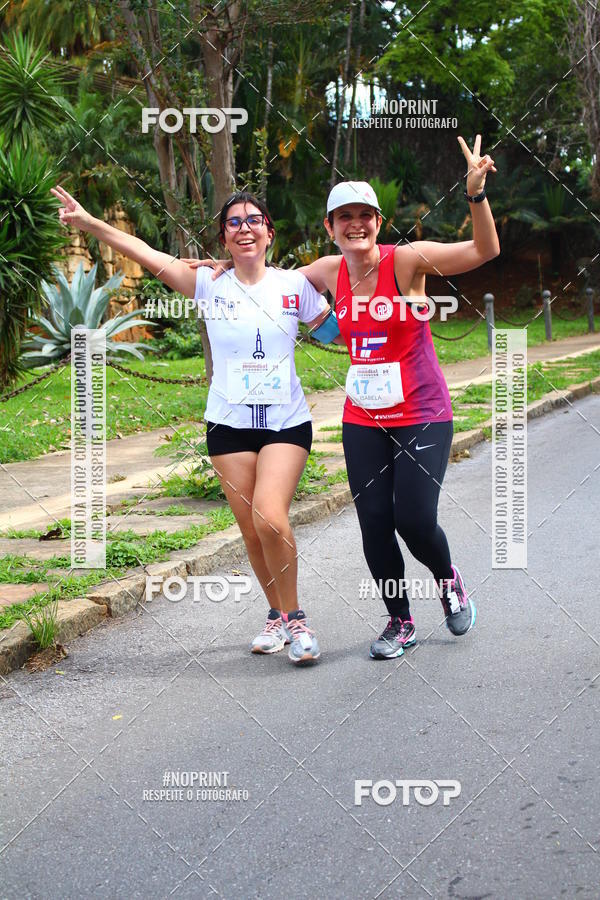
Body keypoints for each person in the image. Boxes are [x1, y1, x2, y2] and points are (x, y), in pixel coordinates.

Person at [188, 135, 499, 660]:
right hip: (363, 417)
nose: (356, 224)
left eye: (365, 215)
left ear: (378, 222)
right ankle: (399, 622)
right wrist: (210, 267)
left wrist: (475, 195)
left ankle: (448, 580)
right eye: (344, 217)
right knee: (375, 519)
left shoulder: (408, 261)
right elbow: (260, 277)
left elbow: (483, 250)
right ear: (330, 228)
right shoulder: (324, 272)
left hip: (423, 412)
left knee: (414, 519)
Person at [50, 186, 331, 664]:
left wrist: (377, 297)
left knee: (269, 515)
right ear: (223, 238)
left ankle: (298, 617)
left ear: (269, 232)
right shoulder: (208, 284)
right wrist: (88, 222)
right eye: (234, 222)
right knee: (250, 529)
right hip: (228, 424)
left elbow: (340, 330)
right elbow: (143, 251)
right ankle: (276, 617)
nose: (245, 228)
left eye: (254, 220)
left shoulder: (294, 286)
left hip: (285, 421)